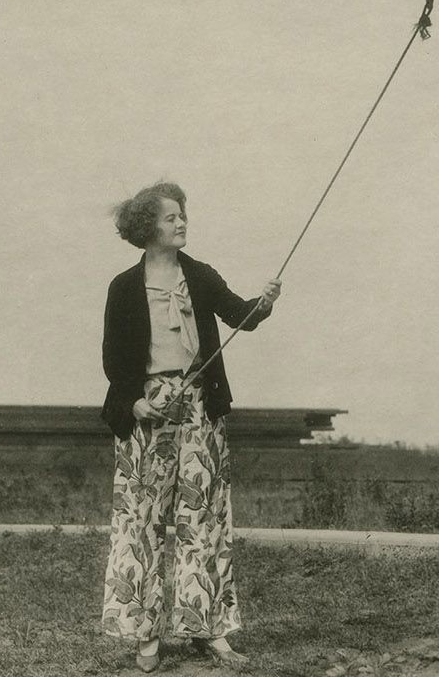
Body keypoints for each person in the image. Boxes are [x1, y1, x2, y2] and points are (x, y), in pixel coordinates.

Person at [99, 181, 282, 672]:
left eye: (183, 216)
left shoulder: (199, 275)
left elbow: (240, 315)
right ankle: (145, 638)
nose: (181, 223)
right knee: (143, 521)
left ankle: (210, 633)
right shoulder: (123, 287)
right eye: (170, 218)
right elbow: (114, 362)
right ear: (146, 228)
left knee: (204, 522)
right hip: (148, 409)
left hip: (200, 405)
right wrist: (133, 402)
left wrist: (262, 304)